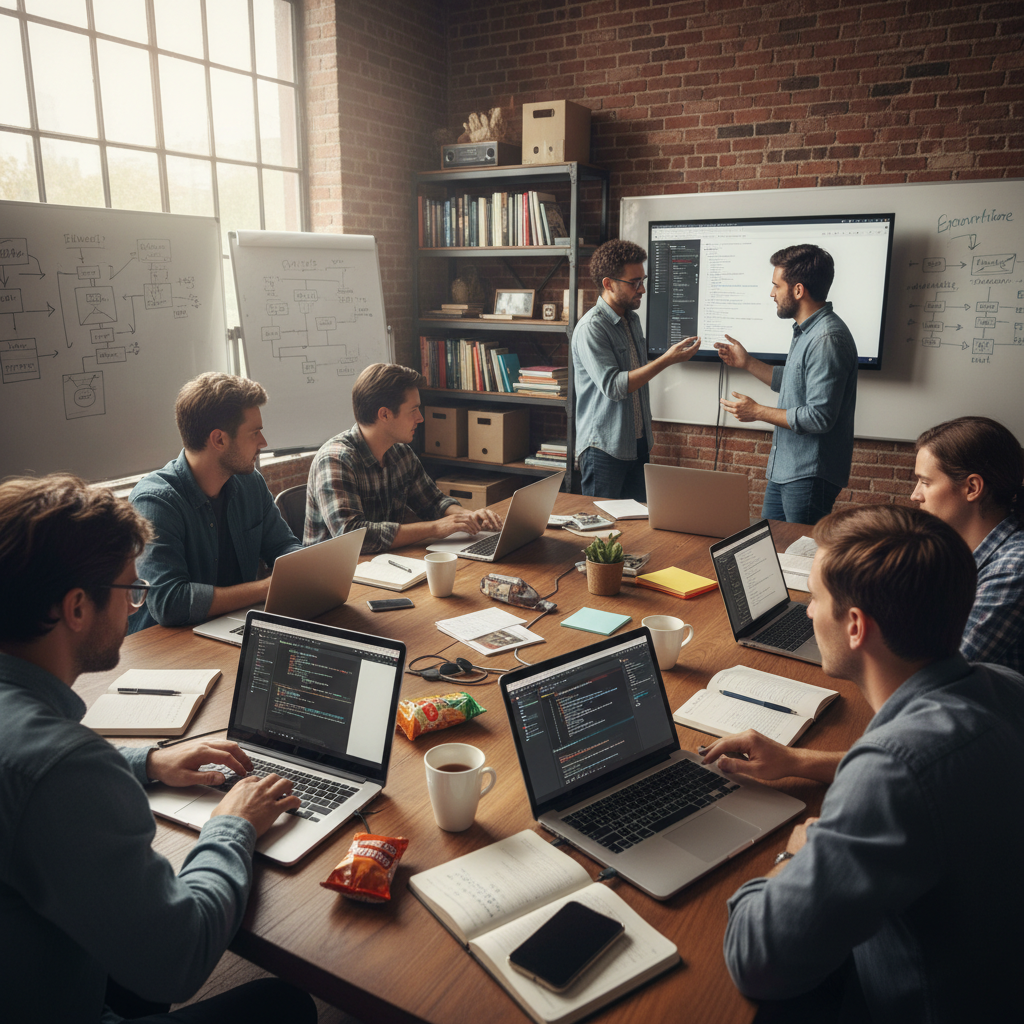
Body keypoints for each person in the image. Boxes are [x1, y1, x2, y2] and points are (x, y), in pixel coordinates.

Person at [0, 474, 316, 1024]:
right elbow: (181, 958)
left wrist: (147, 761)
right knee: (284, 1004)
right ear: (76, 608)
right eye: (131, 591)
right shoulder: (63, 768)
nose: (134, 608)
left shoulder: (35, 751)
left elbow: (26, 777)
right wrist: (233, 824)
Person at [701, 505, 1024, 1022]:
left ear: (855, 626)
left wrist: (795, 857)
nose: (807, 611)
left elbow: (758, 961)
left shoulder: (894, 772)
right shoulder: (1003, 687)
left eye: (815, 599)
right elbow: (928, 769)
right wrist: (798, 760)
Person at [129, 372, 301, 633]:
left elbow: (283, 545)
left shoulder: (250, 483)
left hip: (232, 625)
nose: (263, 443)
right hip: (169, 648)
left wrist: (307, 570)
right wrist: (267, 588)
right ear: (219, 439)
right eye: (255, 433)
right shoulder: (155, 502)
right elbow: (169, 602)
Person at [715, 244, 857, 525]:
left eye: (776, 286)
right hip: (787, 470)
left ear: (798, 290)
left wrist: (757, 412)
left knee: (797, 560)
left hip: (808, 475)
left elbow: (819, 417)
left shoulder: (827, 338)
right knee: (774, 551)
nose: (771, 293)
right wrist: (747, 363)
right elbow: (792, 384)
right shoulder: (806, 331)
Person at [305, 362, 502, 553]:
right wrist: (436, 528)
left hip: (385, 563)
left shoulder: (401, 453)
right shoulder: (336, 459)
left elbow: (433, 502)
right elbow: (351, 536)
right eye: (413, 410)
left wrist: (469, 517)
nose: (420, 418)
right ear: (385, 414)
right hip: (333, 577)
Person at [572, 239, 701, 501]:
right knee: (601, 533)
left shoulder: (633, 319)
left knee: (637, 531)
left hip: (637, 444)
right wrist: (667, 360)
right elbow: (615, 386)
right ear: (608, 284)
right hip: (604, 449)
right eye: (634, 282)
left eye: (643, 280)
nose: (642, 289)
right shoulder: (591, 328)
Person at [912, 415, 1024, 674]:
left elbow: (938, 671)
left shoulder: (1014, 568)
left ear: (972, 487)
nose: (915, 495)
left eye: (925, 482)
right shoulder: (955, 549)